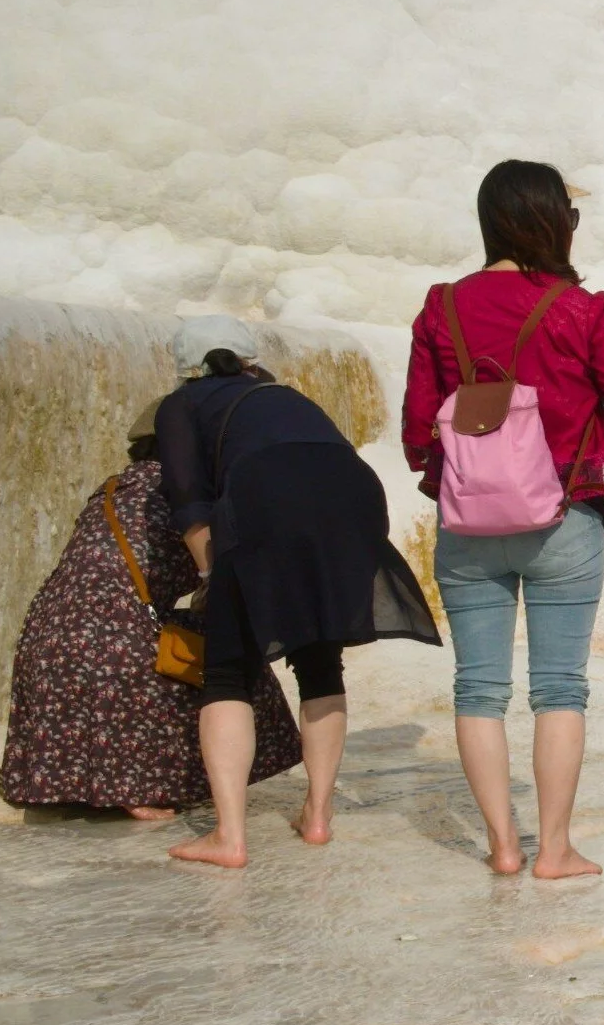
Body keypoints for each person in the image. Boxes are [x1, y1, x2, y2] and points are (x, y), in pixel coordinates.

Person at [403, 160, 604, 879]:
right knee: (559, 688)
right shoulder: (584, 311)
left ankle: (502, 846)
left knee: (477, 689)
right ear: (553, 222)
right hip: (564, 520)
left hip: (466, 530)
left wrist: (464, 491)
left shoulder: (440, 307)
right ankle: (554, 848)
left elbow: (418, 429)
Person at [156, 316, 439, 868]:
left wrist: (214, 579)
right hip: (354, 494)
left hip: (268, 493)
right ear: (250, 359)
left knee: (226, 671)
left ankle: (229, 837)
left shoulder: (182, 404)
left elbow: (189, 500)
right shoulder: (282, 394)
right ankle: (317, 814)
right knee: (319, 658)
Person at [0, 398, 301, 817]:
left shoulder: (110, 489)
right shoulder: (189, 499)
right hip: (112, 641)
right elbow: (222, 578)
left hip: (45, 639)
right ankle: (140, 787)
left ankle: (73, 784)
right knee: (231, 660)